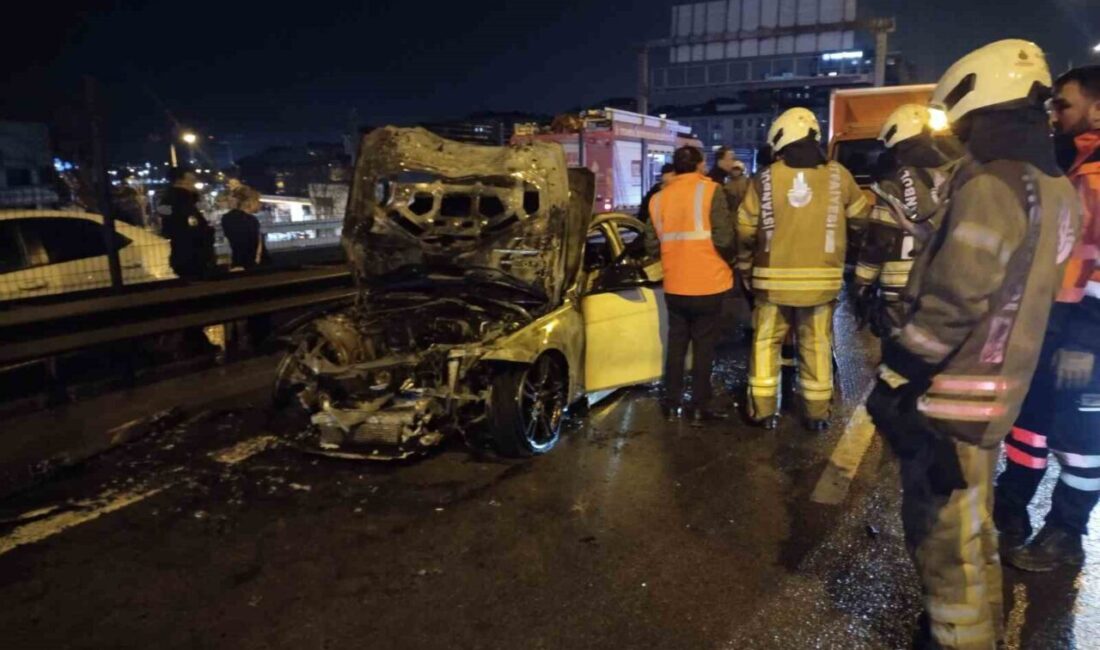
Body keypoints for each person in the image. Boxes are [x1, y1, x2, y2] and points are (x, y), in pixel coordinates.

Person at [865, 40, 1080, 650]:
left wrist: (901, 369)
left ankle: (955, 638)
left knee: (943, 540)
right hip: (1001, 387)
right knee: (973, 530)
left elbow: (958, 296)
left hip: (954, 396)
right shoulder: (1055, 186)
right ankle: (969, 625)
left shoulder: (993, 184)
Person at [995, 64, 1100, 572]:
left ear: (1096, 109)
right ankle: (1009, 511)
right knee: (1028, 427)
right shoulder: (1071, 166)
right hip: (1051, 327)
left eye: (1063, 104)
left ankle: (1067, 532)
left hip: (1088, 336)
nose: (1053, 113)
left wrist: (1084, 338)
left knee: (1080, 443)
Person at [736, 107, 870, 431]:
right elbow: (861, 218)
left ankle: (764, 411)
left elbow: (744, 228)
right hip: (821, 282)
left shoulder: (765, 178)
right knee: (817, 345)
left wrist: (744, 265)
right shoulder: (839, 175)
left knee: (765, 344)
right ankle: (816, 414)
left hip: (771, 283)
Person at [643, 146, 734, 426]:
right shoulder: (710, 191)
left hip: (675, 285)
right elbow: (724, 239)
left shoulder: (657, 200)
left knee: (677, 345)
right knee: (704, 348)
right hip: (708, 283)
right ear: (698, 165)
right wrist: (728, 262)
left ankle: (671, 405)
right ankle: (699, 406)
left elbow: (650, 244)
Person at [854, 104, 957, 337]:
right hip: (940, 285)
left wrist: (862, 281)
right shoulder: (954, 176)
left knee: (899, 353)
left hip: (899, 289)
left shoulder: (893, 183)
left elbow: (879, 239)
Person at [158, 168, 215, 280]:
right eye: (192, 181)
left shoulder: (170, 199)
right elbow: (191, 226)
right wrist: (207, 233)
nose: (194, 184)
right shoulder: (182, 201)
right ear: (181, 181)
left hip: (183, 253)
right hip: (192, 255)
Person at [221, 184, 269, 270]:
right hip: (252, 265)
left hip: (238, 262)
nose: (260, 204)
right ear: (249, 202)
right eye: (257, 201)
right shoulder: (251, 220)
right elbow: (251, 244)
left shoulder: (227, 218)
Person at [708, 146, 750, 212]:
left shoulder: (724, 178)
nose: (733, 163)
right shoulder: (716, 180)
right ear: (720, 161)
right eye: (731, 159)